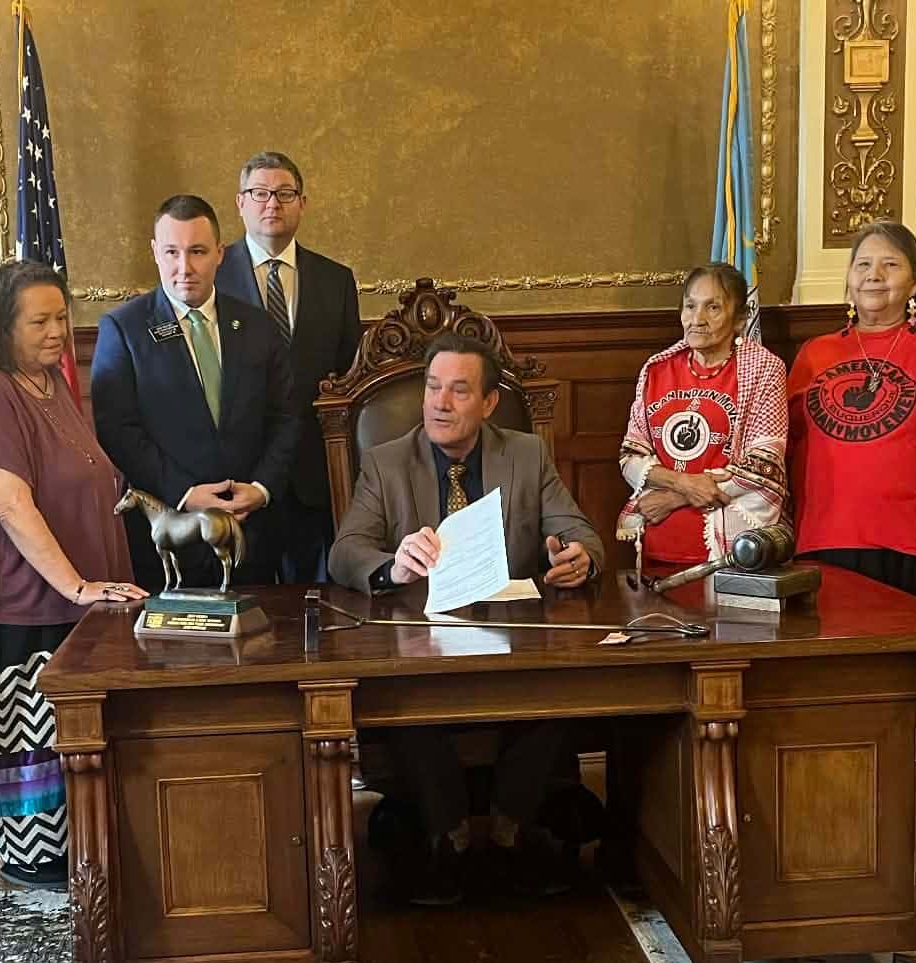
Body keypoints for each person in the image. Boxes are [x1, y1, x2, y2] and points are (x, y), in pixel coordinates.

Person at [329, 332, 605, 904]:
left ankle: (509, 827)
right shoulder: (386, 462)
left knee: (561, 688)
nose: (440, 403)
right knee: (406, 699)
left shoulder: (525, 454)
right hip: (419, 637)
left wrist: (580, 557)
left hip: (515, 633)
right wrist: (391, 567)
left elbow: (579, 532)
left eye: (459, 391)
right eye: (433, 388)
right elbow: (346, 550)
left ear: (488, 403)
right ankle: (446, 835)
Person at [0, 262, 146, 890]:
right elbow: (6, 500)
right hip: (14, 602)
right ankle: (32, 859)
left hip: (71, 598)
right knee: (28, 736)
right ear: (2, 326)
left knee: (68, 735)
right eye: (38, 321)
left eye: (60, 317)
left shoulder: (51, 381)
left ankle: (76, 851)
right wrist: (74, 584)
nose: (56, 332)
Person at [92, 194, 299, 592]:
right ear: (155, 252)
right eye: (171, 252)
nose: (184, 268)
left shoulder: (257, 326)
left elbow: (286, 418)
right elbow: (117, 429)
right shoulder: (124, 329)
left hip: (251, 531)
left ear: (221, 253)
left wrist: (260, 489)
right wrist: (184, 493)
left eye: (198, 251)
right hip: (169, 538)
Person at [786, 222, 916, 611]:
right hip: (829, 538)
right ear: (849, 279)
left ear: (915, 283)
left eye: (890, 265)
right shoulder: (815, 354)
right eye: (862, 264)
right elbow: (785, 440)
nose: (873, 276)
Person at [218, 152, 362, 583]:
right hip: (239, 476)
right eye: (260, 193)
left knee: (316, 609)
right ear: (240, 203)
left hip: (313, 476)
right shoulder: (214, 276)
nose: (272, 204)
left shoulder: (335, 280)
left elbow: (348, 381)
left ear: (303, 202)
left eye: (284, 194)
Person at [617, 263, 788, 575]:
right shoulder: (656, 370)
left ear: (740, 318)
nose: (697, 319)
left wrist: (673, 497)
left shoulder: (764, 369)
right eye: (690, 306)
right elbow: (630, 457)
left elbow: (764, 465)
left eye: (713, 307)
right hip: (658, 547)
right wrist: (683, 483)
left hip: (734, 555)